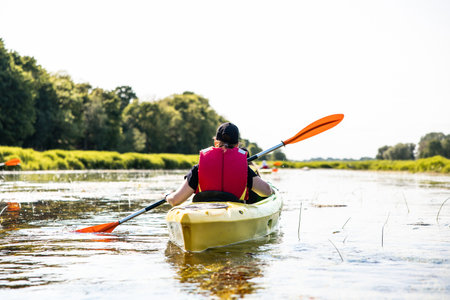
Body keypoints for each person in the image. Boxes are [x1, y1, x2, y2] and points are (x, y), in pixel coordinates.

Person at [165, 122, 273, 207]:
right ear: (237, 145)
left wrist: (167, 196)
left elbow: (175, 200)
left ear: (216, 143)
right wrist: (273, 191)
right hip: (234, 214)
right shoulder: (243, 168)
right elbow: (266, 192)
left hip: (203, 212)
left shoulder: (199, 169)